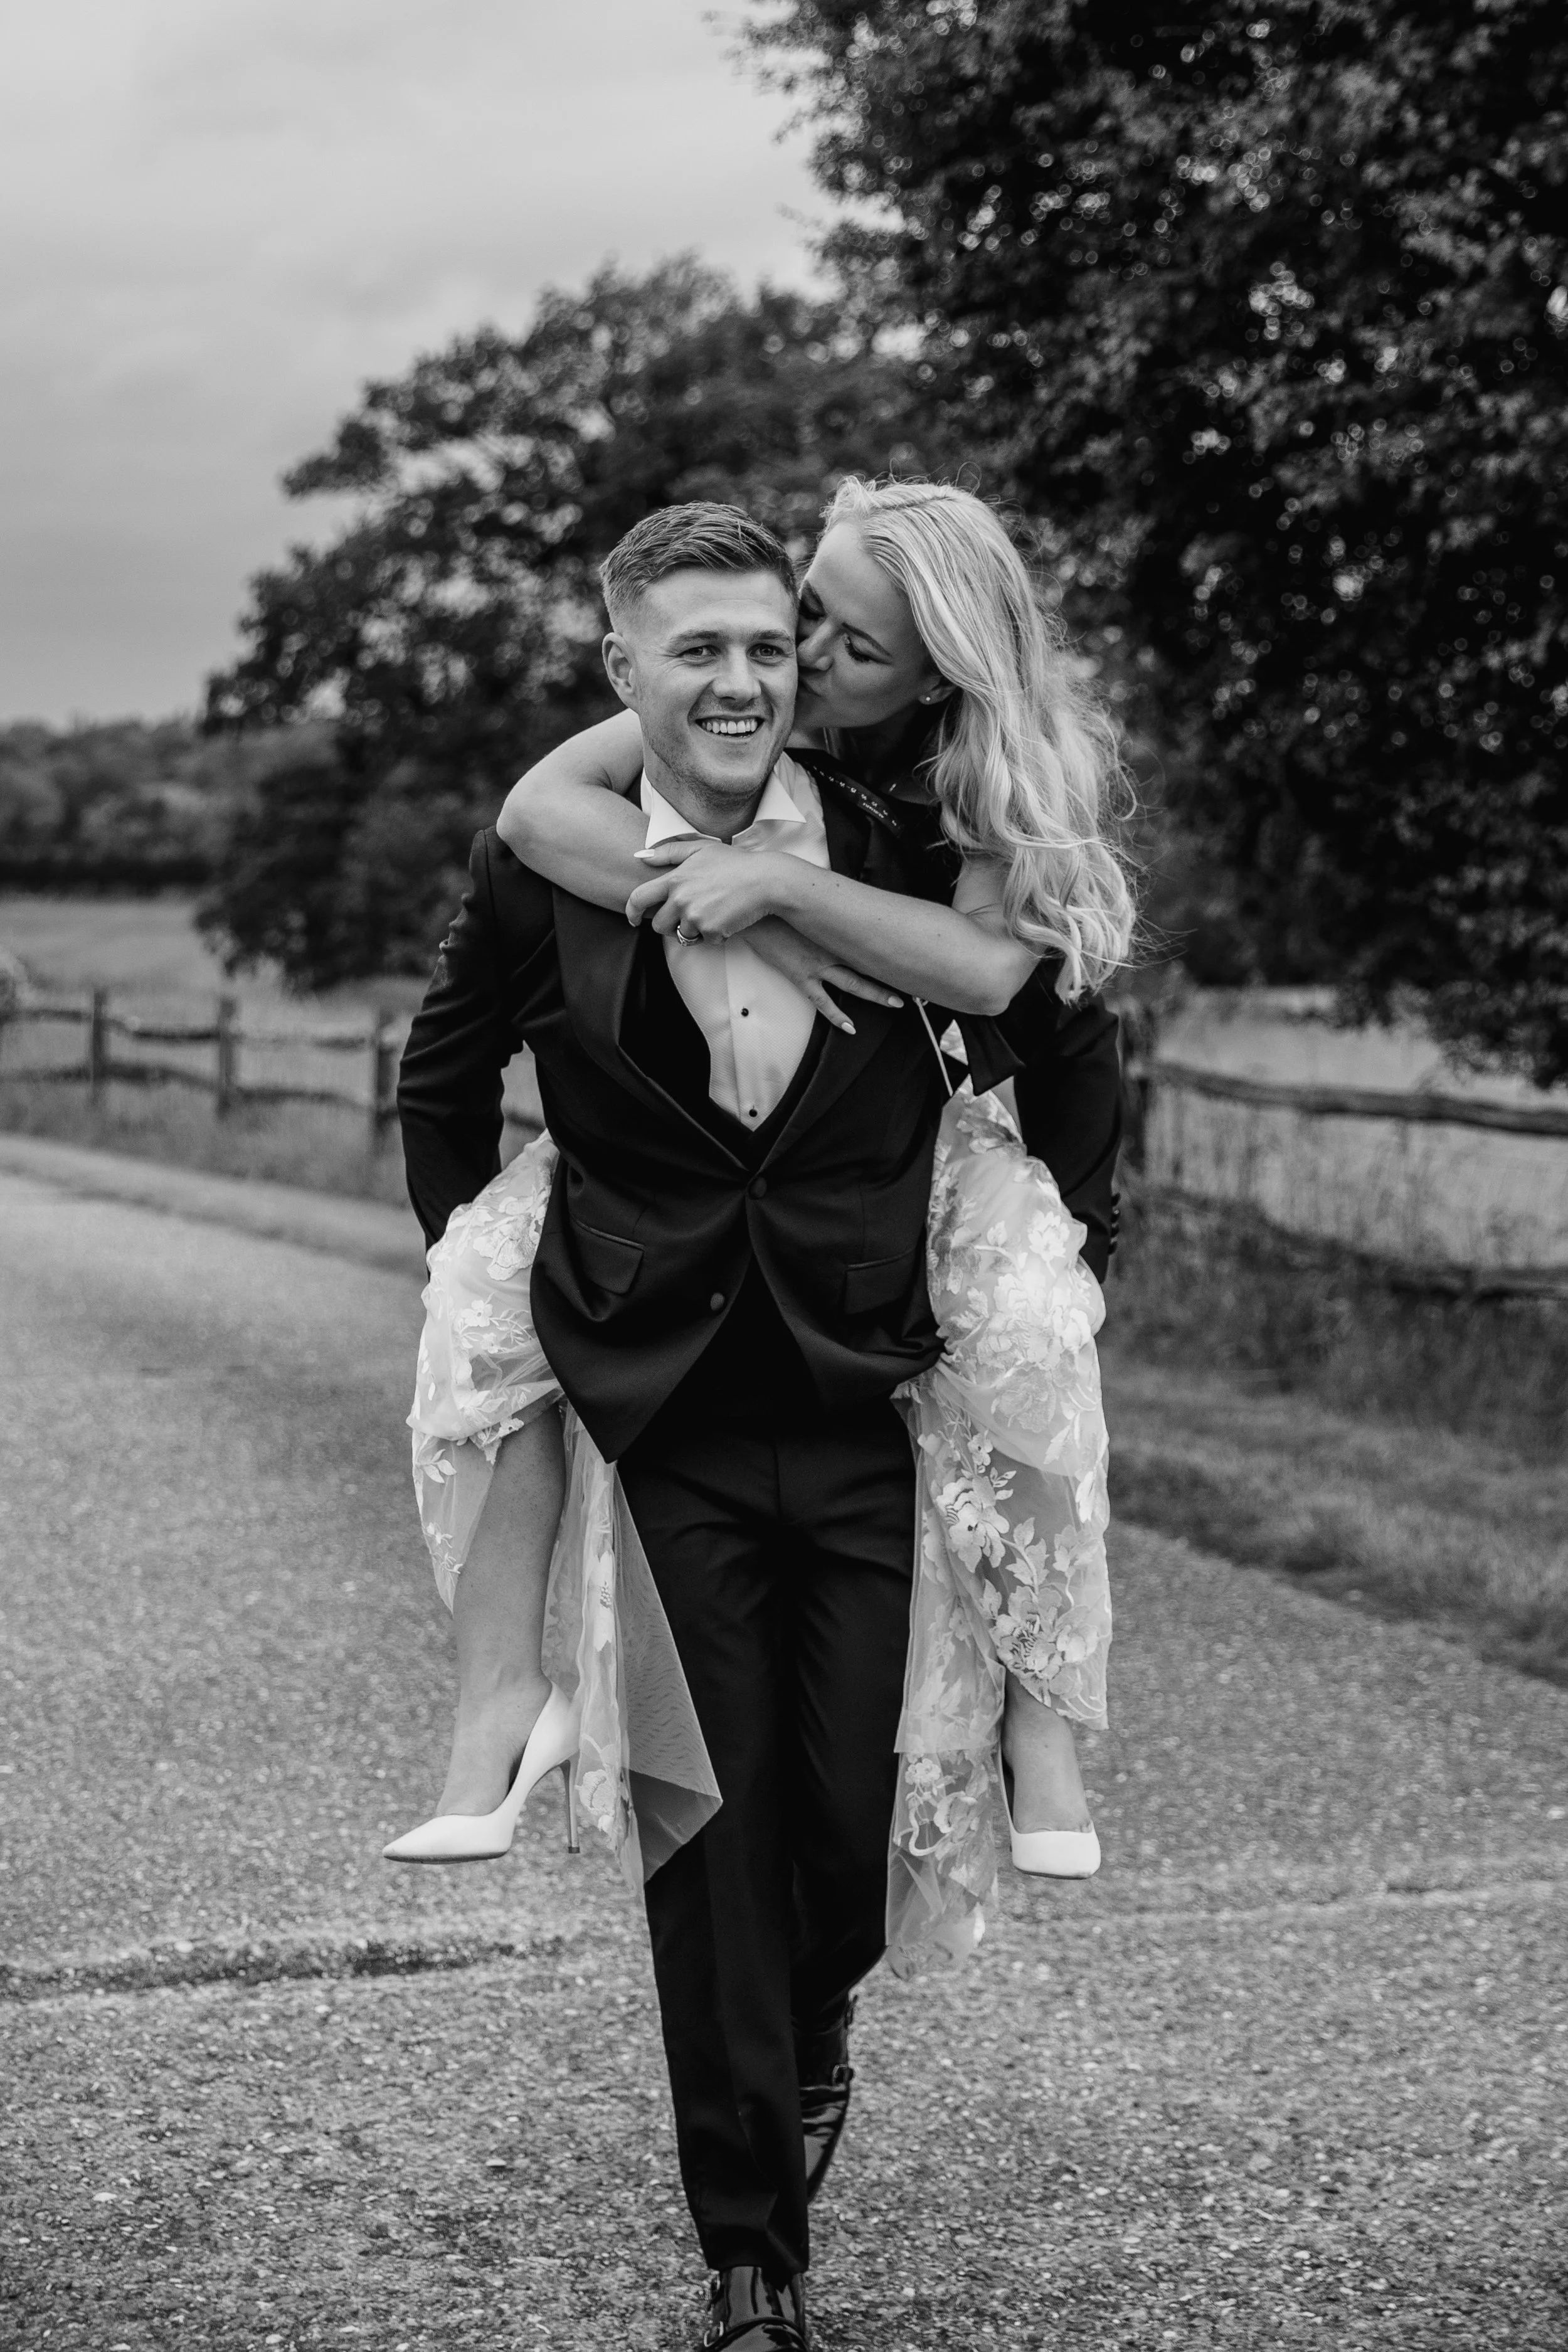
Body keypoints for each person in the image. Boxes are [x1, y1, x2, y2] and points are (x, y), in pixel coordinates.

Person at [395, 494, 1133, 2349]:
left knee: (845, 1841)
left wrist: (1059, 1258)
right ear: (630, 663)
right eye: (731, 638)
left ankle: (811, 2016)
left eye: (796, 640)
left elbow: (1048, 1022)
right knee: (699, 1824)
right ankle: (751, 2251)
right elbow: (446, 1055)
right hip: (670, 1415)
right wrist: (506, 1277)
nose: (768, 667)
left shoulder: (904, 832)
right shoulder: (568, 848)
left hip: (869, 1389)